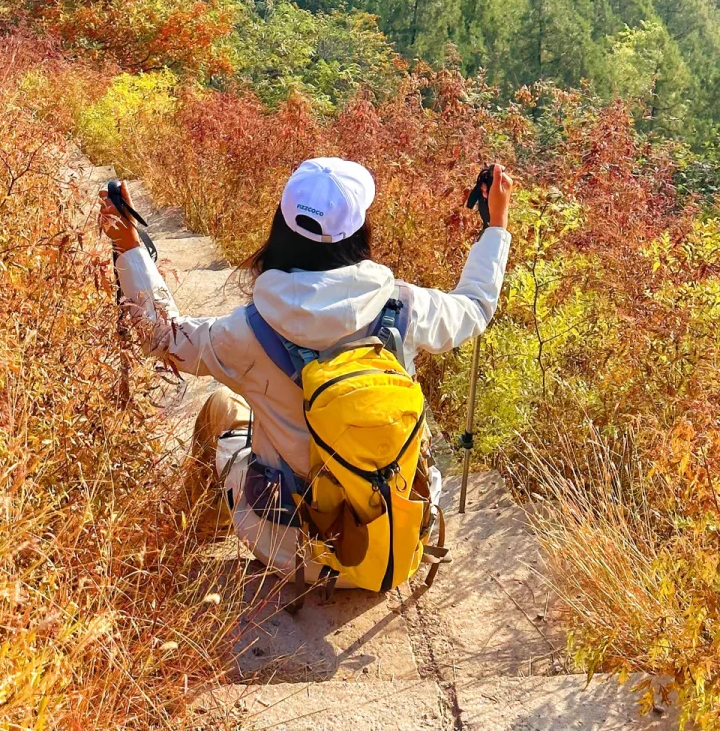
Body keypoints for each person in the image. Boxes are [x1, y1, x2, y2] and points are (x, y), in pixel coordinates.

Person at [100, 157, 513, 585]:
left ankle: (202, 527)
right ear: (360, 231)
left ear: (281, 226)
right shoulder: (405, 307)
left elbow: (163, 337)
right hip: (397, 539)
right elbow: (474, 308)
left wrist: (128, 244)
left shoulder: (247, 331)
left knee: (223, 406)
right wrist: (495, 227)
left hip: (292, 550)